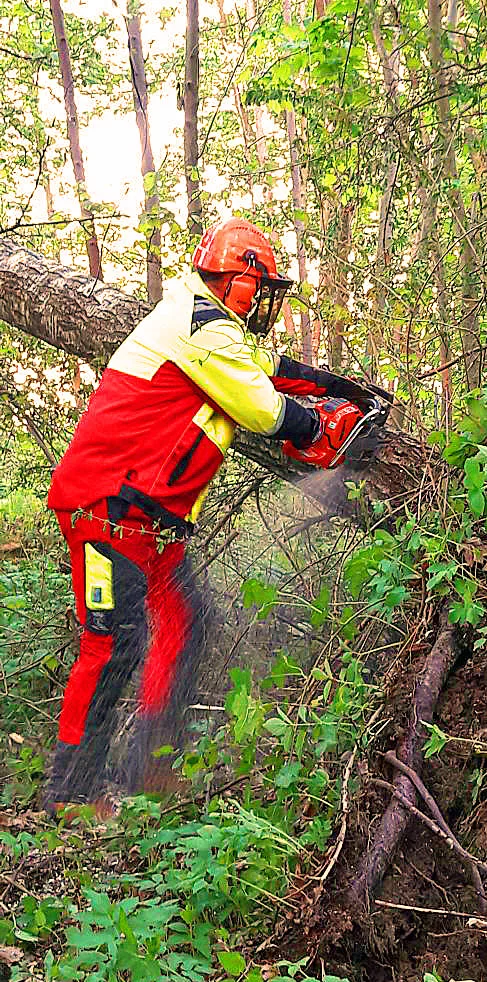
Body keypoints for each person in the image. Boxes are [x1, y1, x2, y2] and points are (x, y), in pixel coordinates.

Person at [45, 217, 361, 816]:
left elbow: (263, 370)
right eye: (261, 290)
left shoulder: (208, 324)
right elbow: (262, 407)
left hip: (149, 522)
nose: (263, 304)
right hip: (107, 511)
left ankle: (149, 768)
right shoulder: (200, 326)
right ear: (240, 281)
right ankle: (70, 793)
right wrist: (315, 424)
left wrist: (336, 388)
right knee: (113, 641)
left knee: (187, 622)